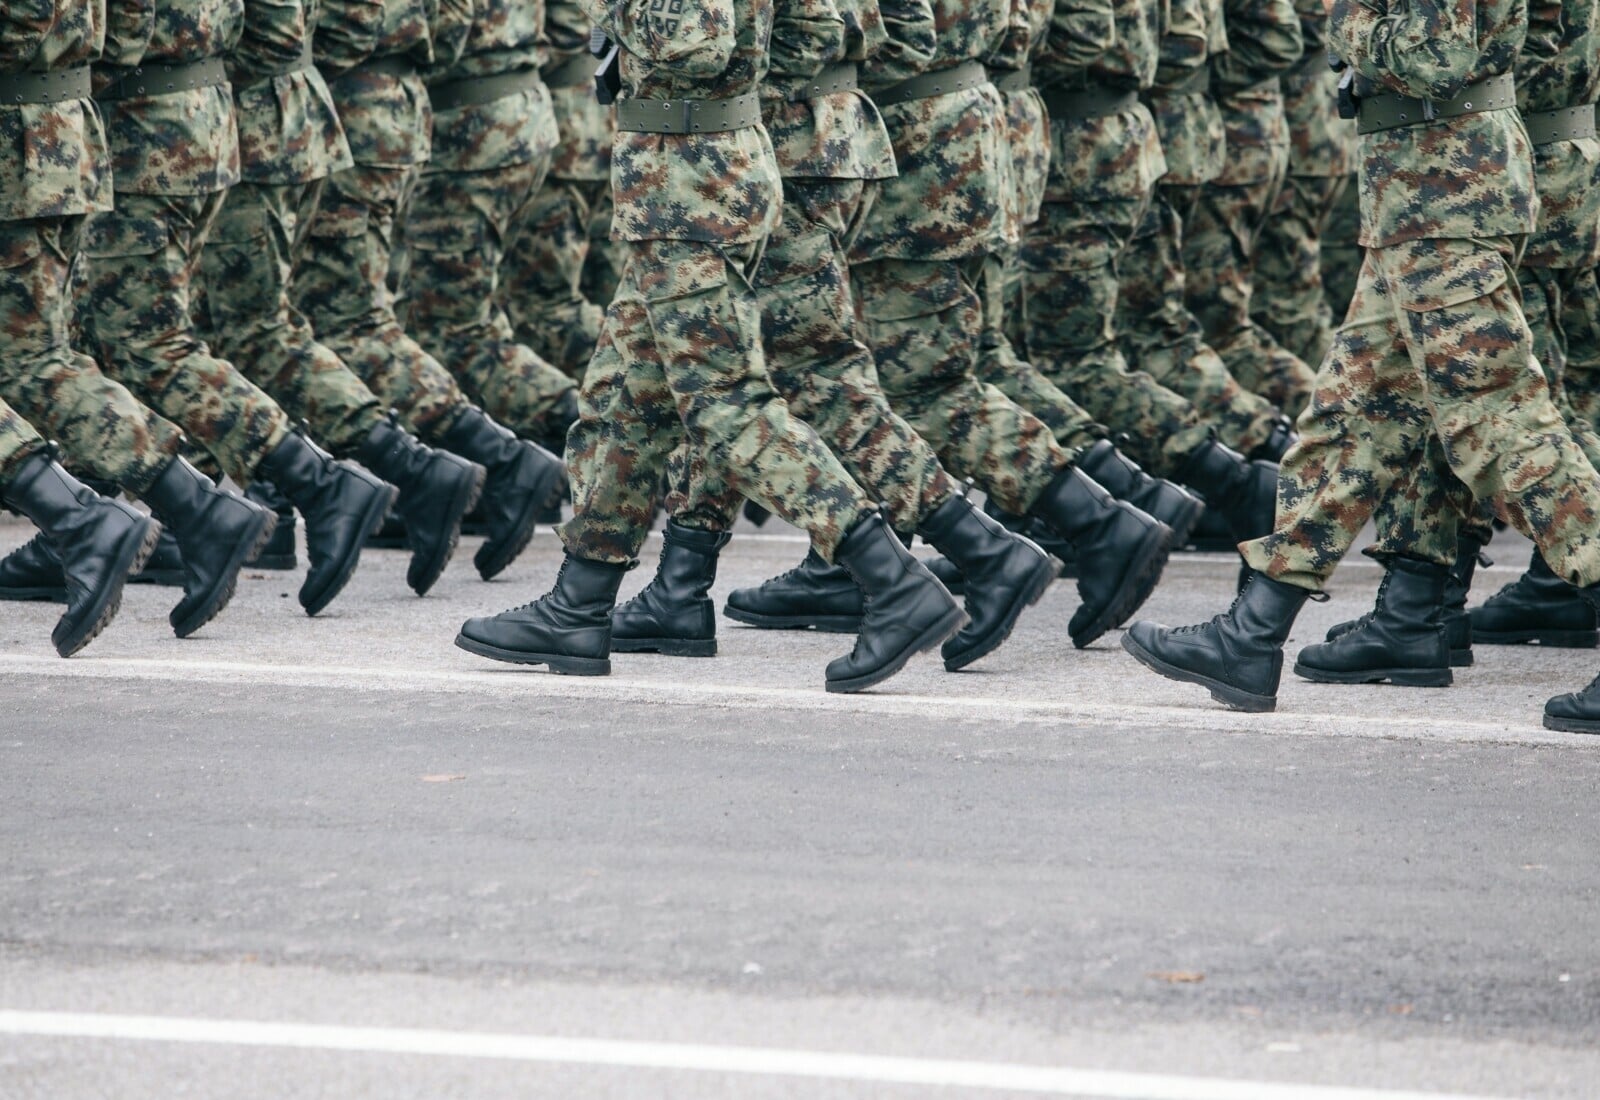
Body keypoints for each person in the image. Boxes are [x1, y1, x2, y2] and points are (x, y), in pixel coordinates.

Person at [456, 0, 965, 694]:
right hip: (700, 168)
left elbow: (694, 41)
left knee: (726, 404)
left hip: (689, 177)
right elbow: (808, 31)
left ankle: (893, 580)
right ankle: (580, 602)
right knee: (624, 394)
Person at [1121, 0, 1600, 732]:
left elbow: (1439, 54)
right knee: (1351, 416)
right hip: (1421, 191)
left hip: (1446, 188)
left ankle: (1254, 631)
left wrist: (1345, 22)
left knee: (1499, 421)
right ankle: (1251, 635)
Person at [606, 0, 1056, 672]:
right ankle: (680, 582)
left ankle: (982, 551)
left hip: (767, 142)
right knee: (758, 375)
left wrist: (744, 96)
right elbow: (900, 32)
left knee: (774, 381)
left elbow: (705, 44)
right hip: (815, 134)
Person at [0, 0, 282, 639]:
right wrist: (72, 73)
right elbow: (130, 23)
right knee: (39, 358)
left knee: (35, 359)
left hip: (22, 134)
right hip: (61, 130)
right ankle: (192, 506)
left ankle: (86, 518)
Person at [197, 0, 486, 599]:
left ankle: (382, 473)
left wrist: (232, 63)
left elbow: (325, 24)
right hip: (326, 106)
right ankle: (405, 470)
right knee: (257, 322)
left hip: (285, 108)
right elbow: (452, 22)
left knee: (279, 326)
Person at [298, 0, 566, 582]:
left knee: (362, 324)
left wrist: (314, 64)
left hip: (389, 110)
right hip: (437, 108)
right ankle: (481, 463)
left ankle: (492, 460)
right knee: (435, 319)